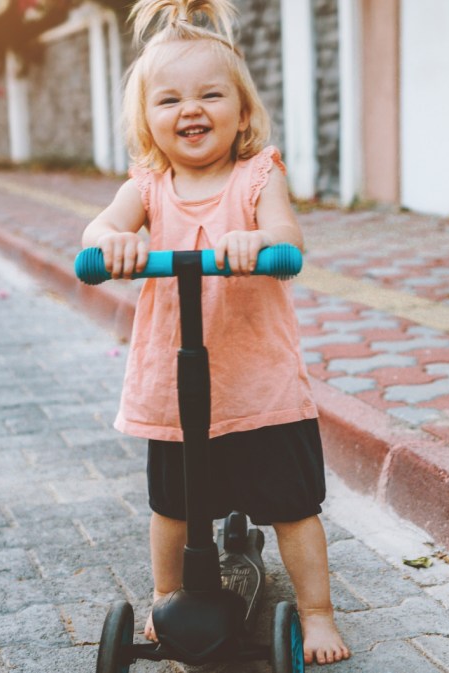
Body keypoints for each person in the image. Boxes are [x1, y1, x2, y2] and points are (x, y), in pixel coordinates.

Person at [80, 0, 351, 664]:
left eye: (210, 94)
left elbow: (287, 238)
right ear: (147, 121)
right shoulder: (147, 186)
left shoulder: (258, 176)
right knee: (172, 505)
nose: (190, 109)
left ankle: (316, 612)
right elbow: (97, 230)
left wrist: (256, 240)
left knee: (291, 502)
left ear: (242, 110)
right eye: (169, 99)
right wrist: (112, 241)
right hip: (177, 384)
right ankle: (166, 596)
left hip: (259, 380)